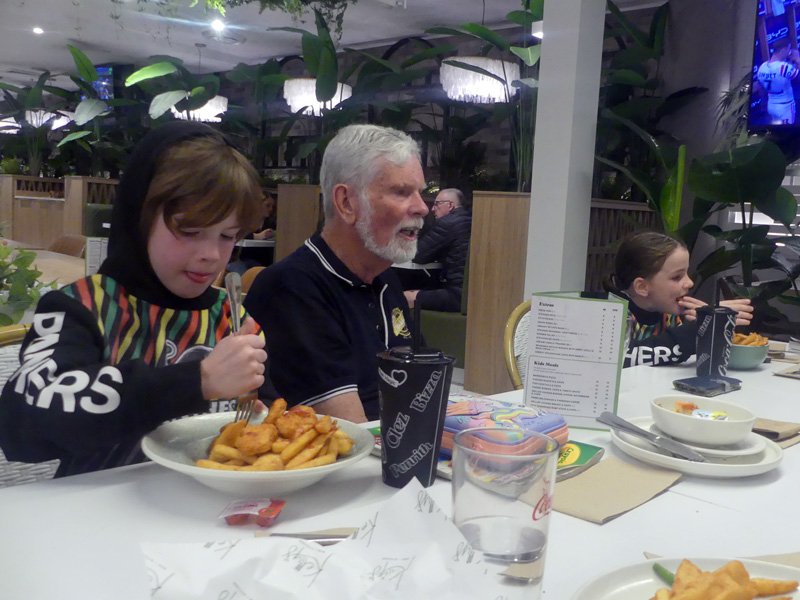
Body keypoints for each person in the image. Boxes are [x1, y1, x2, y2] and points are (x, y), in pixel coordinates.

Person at [0, 121, 272, 477]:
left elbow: (267, 412)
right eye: (190, 231)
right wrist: (195, 381)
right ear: (140, 219)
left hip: (210, 503)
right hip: (96, 505)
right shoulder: (80, 307)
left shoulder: (233, 317)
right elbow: (21, 425)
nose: (211, 254)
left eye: (227, 236)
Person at [244, 124, 427, 423]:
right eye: (401, 192)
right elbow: (349, 434)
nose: (422, 208)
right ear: (346, 203)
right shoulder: (293, 288)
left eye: (420, 193)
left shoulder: (385, 280)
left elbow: (425, 388)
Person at [605, 231, 753, 368]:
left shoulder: (668, 311)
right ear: (642, 287)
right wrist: (697, 329)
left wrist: (708, 323)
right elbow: (620, 358)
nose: (690, 283)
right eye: (677, 277)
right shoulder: (608, 314)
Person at [403, 188, 472, 312]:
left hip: (456, 296)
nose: (432, 209)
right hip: (472, 293)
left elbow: (418, 255)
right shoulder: (472, 221)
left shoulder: (447, 223)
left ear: (450, 205)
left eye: (437, 204)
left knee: (406, 296)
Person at [227, 192, 277, 275]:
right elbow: (236, 233)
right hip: (239, 259)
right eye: (267, 205)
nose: (271, 209)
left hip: (259, 261)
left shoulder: (271, 223)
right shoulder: (245, 219)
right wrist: (256, 236)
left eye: (273, 206)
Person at [756, 37, 800, 125]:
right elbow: (797, 75)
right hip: (785, 106)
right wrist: (797, 59)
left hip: (771, 105)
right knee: (787, 130)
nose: (789, 52)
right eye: (788, 49)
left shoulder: (762, 67)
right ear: (783, 50)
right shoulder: (784, 67)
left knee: (776, 127)